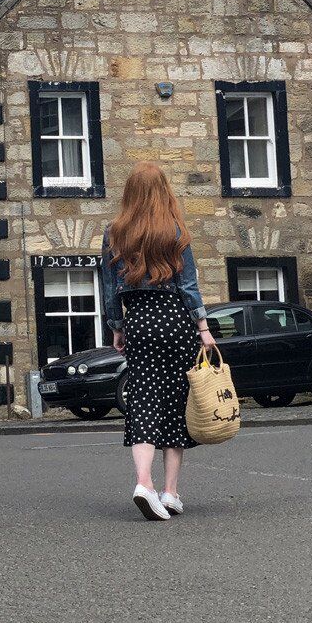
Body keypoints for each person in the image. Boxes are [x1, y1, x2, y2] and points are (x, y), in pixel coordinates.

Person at [100, 161, 216, 522]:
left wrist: (117, 326)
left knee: (143, 398)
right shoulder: (175, 230)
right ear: (163, 190)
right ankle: (170, 492)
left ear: (130, 193)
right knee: (175, 402)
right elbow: (189, 286)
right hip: (174, 319)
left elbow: (110, 288)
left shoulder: (114, 233)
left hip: (138, 320)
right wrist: (203, 328)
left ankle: (143, 483)